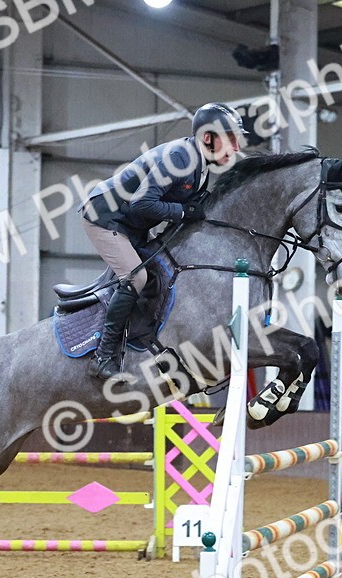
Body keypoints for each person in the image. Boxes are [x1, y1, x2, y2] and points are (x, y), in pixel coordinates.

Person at [79, 103, 244, 379]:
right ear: (208, 138)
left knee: (162, 269)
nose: (236, 148)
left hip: (131, 222)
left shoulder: (201, 166)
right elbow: (141, 203)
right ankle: (103, 355)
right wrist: (182, 212)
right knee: (136, 278)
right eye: (230, 139)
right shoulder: (180, 157)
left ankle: (141, 340)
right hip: (104, 217)